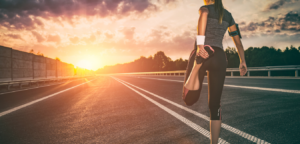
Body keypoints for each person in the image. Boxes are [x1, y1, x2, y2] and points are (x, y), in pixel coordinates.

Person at [182, 0, 247, 144]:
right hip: (219, 56)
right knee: (215, 105)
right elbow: (238, 42)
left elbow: (204, 15)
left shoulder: (204, 9)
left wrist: (200, 46)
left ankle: (196, 67)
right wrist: (242, 60)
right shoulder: (228, 15)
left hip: (203, 53)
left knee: (189, 99)